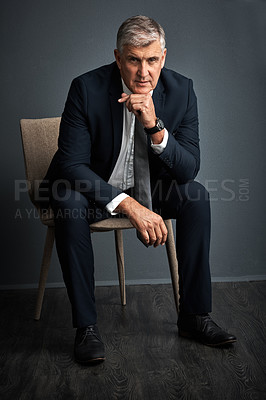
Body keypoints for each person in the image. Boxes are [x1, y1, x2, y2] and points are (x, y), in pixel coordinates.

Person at [40, 15, 236, 364]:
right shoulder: (86, 88)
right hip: (89, 191)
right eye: (133, 60)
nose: (143, 72)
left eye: (152, 60)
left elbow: (189, 168)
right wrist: (128, 204)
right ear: (118, 58)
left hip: (150, 190)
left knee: (197, 196)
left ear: (164, 56)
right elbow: (71, 166)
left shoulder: (182, 90)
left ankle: (193, 317)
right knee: (67, 202)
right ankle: (86, 327)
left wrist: (155, 126)